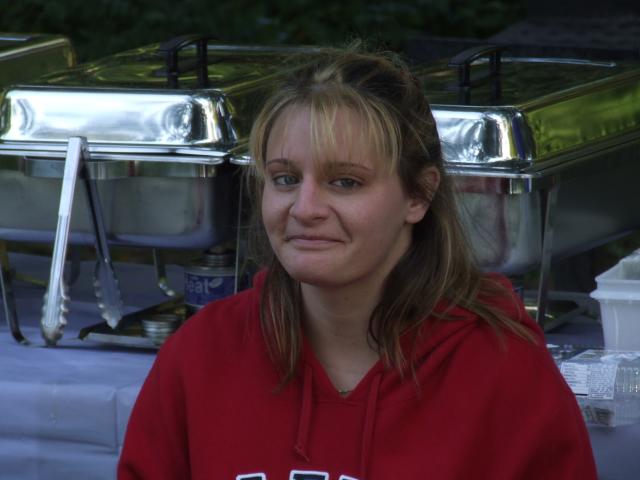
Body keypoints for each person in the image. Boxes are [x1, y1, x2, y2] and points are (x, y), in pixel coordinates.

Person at [118, 48, 597, 480]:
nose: (305, 208)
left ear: (419, 194)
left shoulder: (502, 369)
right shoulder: (202, 355)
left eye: (345, 182)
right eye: (285, 178)